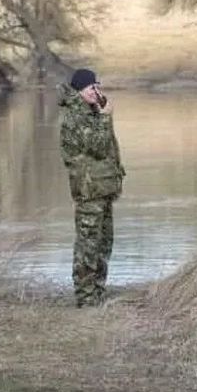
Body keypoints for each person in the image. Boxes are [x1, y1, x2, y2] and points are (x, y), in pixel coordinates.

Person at [57, 68, 126, 308]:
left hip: (102, 188)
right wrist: (106, 116)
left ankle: (97, 292)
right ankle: (86, 298)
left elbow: (108, 149)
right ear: (79, 91)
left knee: (104, 243)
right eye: (91, 88)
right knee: (88, 243)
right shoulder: (75, 116)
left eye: (98, 87)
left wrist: (101, 114)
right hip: (89, 191)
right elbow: (96, 146)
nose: (96, 92)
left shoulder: (91, 111)